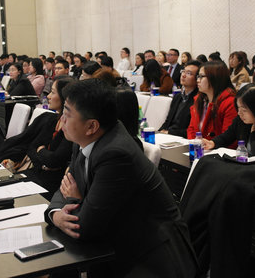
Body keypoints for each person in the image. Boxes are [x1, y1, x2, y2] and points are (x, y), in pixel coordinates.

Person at [45, 79, 197, 277]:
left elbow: (84, 226)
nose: (62, 119)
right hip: (112, 239)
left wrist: (75, 199)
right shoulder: (83, 139)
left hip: (150, 256)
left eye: (67, 114)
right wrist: (56, 214)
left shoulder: (116, 154)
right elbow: (64, 187)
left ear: (91, 126)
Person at [0, 77, 75, 197]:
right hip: (36, 173)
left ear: (65, 98)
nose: (48, 96)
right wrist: (43, 161)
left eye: (53, 92)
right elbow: (32, 148)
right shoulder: (51, 121)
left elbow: (54, 160)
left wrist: (41, 151)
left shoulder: (72, 129)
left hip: (50, 184)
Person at [187, 61, 237, 141]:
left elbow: (229, 138)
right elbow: (192, 129)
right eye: (198, 76)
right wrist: (194, 143)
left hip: (218, 147)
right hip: (198, 146)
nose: (198, 80)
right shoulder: (199, 100)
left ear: (215, 78)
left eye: (202, 76)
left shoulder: (230, 103)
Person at [159, 61, 200, 138]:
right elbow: (168, 121)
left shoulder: (198, 99)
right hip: (169, 136)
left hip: (183, 138)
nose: (183, 75)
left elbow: (193, 130)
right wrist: (159, 132)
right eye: (183, 71)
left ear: (197, 78)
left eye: (189, 73)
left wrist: (170, 132)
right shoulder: (177, 97)